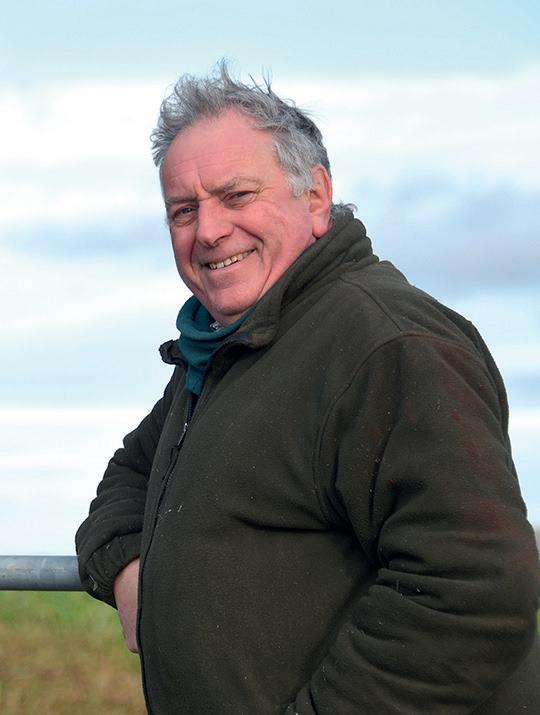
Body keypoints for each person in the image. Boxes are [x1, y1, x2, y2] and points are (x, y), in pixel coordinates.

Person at [76, 62, 540, 714]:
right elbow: (130, 473)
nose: (208, 231)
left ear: (316, 197)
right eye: (183, 210)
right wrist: (127, 563)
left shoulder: (388, 345)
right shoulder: (228, 350)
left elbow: (473, 589)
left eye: (237, 196)